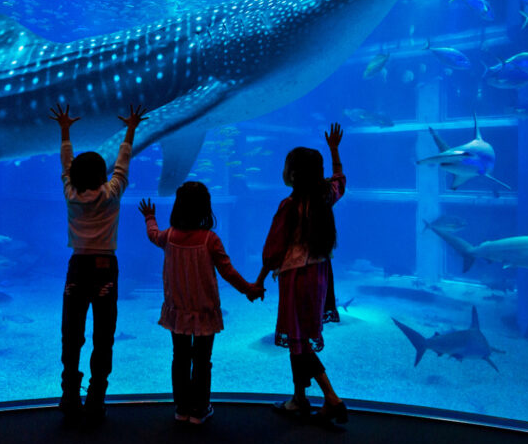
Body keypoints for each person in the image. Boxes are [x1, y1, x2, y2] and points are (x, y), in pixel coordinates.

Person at [50, 102, 146, 427]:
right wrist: (130, 129)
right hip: (105, 267)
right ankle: (95, 398)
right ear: (103, 175)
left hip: (77, 267)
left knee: (71, 333)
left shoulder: (70, 194)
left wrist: (65, 130)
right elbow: (123, 165)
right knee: (103, 334)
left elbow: (66, 165)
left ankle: (68, 395)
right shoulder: (111, 194)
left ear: (74, 176)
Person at [139, 182, 258, 425]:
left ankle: (182, 408)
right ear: (206, 209)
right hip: (204, 312)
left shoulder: (169, 236)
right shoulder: (210, 239)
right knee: (202, 360)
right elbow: (228, 272)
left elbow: (153, 235)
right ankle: (199, 409)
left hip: (178, 312)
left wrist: (150, 217)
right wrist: (249, 289)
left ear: (177, 207)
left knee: (180, 358)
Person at [254, 122, 348, 425]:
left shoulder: (290, 205)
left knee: (300, 340)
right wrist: (334, 150)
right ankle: (299, 398)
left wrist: (258, 279)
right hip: (320, 275)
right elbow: (339, 182)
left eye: (286, 167)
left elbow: (273, 249)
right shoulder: (324, 198)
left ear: (293, 175)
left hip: (296, 278)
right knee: (299, 338)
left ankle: (332, 399)